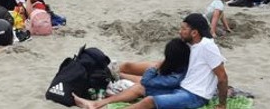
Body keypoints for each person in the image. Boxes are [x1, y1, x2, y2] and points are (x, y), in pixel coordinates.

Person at [77, 14, 228, 109]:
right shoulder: (193, 43)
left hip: (195, 96)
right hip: (182, 87)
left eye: (183, 29)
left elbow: (222, 77)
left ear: (194, 33)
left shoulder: (208, 46)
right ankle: (97, 104)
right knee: (140, 87)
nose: (179, 31)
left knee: (149, 100)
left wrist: (222, 104)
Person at [73, 38, 190, 109]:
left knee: (141, 86)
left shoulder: (175, 77)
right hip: (168, 79)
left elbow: (146, 81)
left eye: (184, 28)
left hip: (164, 87)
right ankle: (115, 75)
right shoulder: (185, 57)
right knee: (127, 67)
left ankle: (97, 103)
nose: (180, 31)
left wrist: (157, 65)